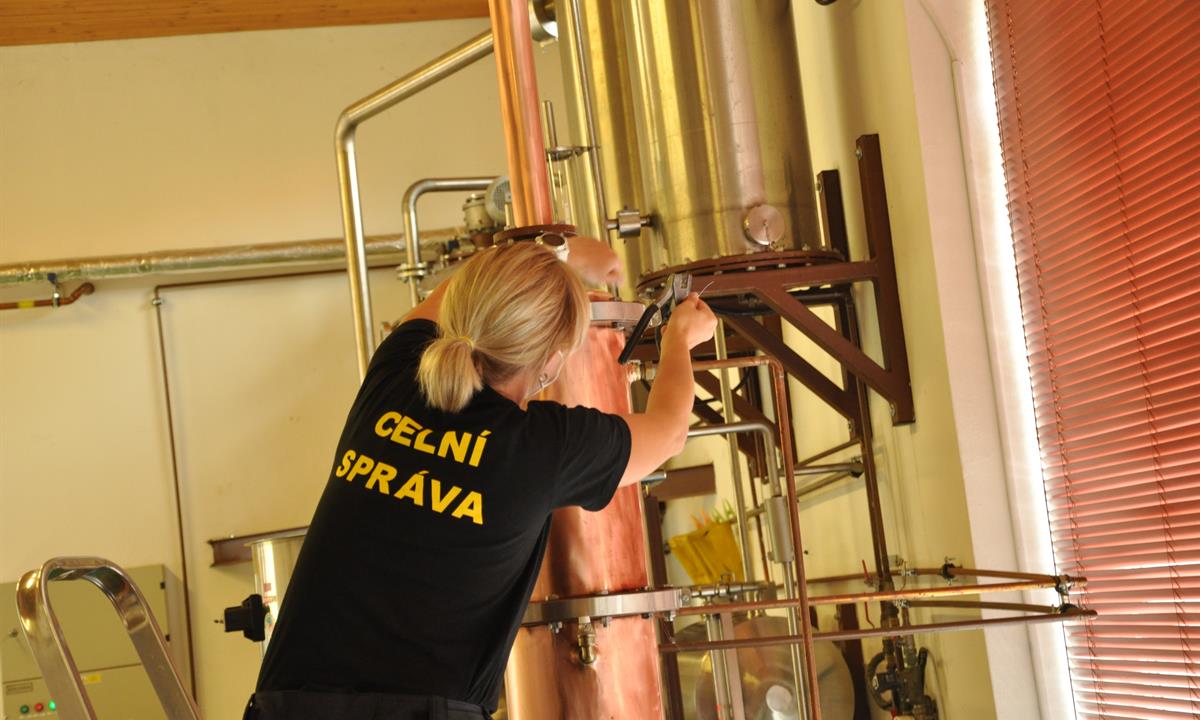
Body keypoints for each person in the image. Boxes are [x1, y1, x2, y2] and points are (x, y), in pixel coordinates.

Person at [246, 237, 716, 719]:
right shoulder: (540, 446)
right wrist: (680, 339)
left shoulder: (395, 376)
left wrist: (558, 252)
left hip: (287, 705)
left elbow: (454, 290)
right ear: (552, 362)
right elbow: (669, 433)